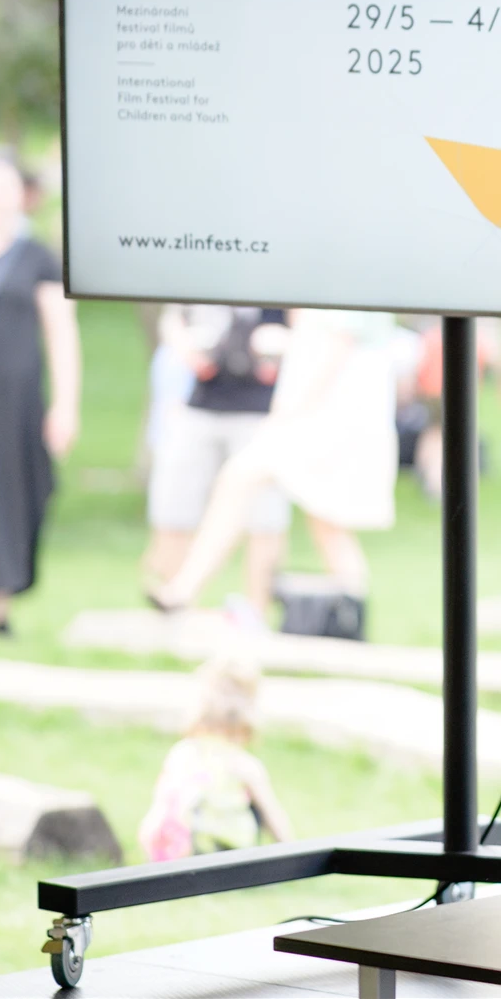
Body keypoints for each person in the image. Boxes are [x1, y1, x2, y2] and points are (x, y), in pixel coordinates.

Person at [153, 310, 399, 612]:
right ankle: (350, 619)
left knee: (242, 478)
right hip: (325, 412)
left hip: (328, 415)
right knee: (327, 524)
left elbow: (338, 347)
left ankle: (184, 589)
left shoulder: (344, 294)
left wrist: (290, 412)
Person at [0, 147, 80, 637]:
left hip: (14, 404)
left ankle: (1, 607)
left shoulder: (37, 256)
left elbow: (61, 333)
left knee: (7, 497)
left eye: (4, 187)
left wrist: (66, 405)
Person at [141, 305, 291, 609]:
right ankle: (176, 608)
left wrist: (280, 342)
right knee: (174, 513)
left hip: (263, 410)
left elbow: (312, 328)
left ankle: (256, 614)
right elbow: (174, 316)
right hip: (199, 401)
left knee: (265, 519)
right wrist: (185, 347)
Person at [138, 654, 293, 861]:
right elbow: (274, 820)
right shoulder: (244, 765)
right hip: (231, 859)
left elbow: (161, 806)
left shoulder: (182, 753)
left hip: (183, 855)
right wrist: (292, 854)